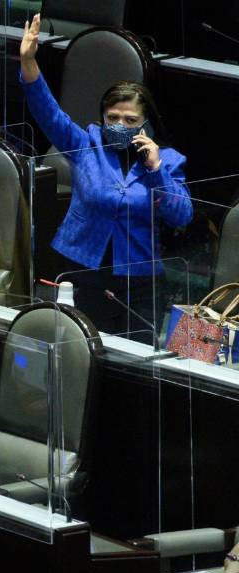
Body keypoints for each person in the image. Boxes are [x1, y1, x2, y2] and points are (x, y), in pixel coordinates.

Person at [20, 14, 193, 337]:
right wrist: (29, 62)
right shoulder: (86, 144)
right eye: (112, 117)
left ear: (146, 122)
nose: (120, 125)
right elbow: (49, 114)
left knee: (134, 355)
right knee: (83, 348)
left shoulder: (167, 161)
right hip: (82, 269)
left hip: (138, 278)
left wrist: (155, 171)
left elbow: (181, 215)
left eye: (130, 120)